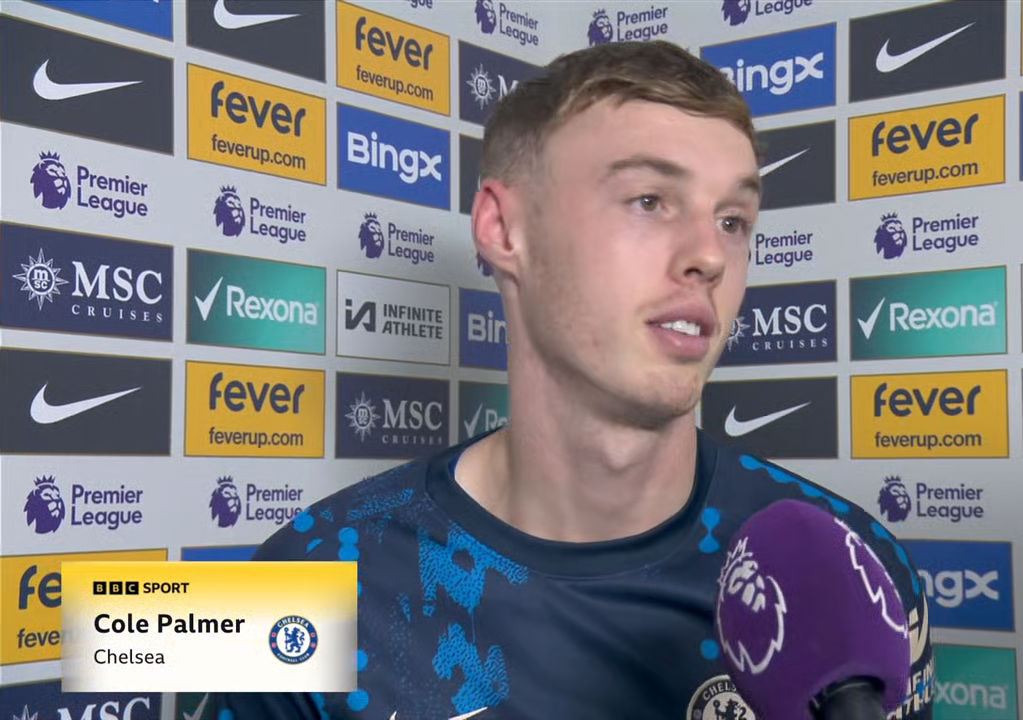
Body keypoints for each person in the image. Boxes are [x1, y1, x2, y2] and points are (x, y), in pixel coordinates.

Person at [204, 40, 934, 720]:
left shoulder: (852, 576)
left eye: (733, 220)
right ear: (503, 229)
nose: (710, 256)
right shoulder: (304, 583)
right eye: (649, 200)